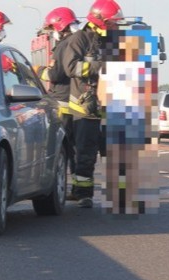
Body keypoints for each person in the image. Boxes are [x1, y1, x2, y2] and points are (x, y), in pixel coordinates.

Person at [61, 0, 124, 208]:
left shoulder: (114, 40)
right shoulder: (79, 39)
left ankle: (121, 193)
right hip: (85, 108)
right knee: (85, 153)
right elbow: (71, 68)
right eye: (113, 23)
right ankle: (83, 193)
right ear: (99, 21)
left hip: (111, 106)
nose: (116, 27)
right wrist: (102, 66)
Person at [39, 7, 81, 191]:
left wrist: (37, 71)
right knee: (75, 147)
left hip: (62, 102)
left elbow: (55, 74)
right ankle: (79, 186)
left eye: (53, 29)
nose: (52, 33)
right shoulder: (79, 41)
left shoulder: (64, 45)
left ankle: (58, 186)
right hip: (75, 101)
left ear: (60, 26)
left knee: (61, 147)